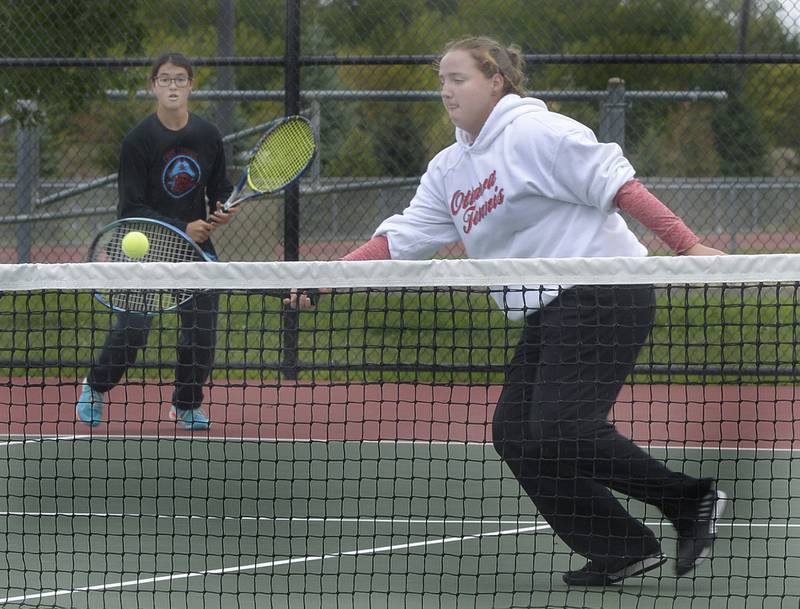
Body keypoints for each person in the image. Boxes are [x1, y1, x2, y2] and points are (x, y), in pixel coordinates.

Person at [307, 36, 729, 586]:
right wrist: (321, 280)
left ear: (495, 80)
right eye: (440, 80)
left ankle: (689, 499)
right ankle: (621, 545)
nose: (446, 90)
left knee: (560, 428)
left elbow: (618, 184)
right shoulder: (449, 168)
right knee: (516, 434)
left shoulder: (539, 132)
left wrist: (688, 245)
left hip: (605, 287)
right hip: (550, 307)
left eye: (458, 78)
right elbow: (401, 239)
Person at [76, 52, 237, 431]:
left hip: (193, 249)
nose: (173, 86)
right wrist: (183, 225)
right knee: (133, 329)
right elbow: (130, 206)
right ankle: (96, 386)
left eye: (180, 79)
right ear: (153, 86)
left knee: (201, 330)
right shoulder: (137, 140)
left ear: (191, 85)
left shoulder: (208, 135)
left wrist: (223, 207)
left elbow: (220, 189)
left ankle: (186, 403)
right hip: (138, 243)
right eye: (165, 79)